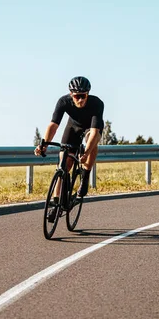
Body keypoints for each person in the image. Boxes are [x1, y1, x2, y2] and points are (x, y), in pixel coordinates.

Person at [34, 76, 104, 221]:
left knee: (93, 140)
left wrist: (85, 153)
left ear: (88, 94)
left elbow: (95, 133)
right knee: (63, 164)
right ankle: (56, 203)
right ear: (71, 95)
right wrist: (44, 145)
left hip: (91, 129)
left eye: (83, 96)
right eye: (77, 96)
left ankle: (85, 177)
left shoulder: (96, 103)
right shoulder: (63, 102)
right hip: (73, 128)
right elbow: (53, 125)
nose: (80, 100)